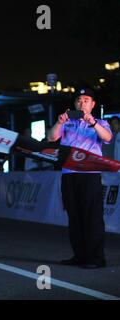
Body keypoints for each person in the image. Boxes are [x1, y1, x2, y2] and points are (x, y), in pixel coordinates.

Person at [48, 88, 112, 269]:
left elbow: (107, 137)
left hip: (89, 176)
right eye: (79, 100)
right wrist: (60, 122)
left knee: (92, 217)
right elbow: (51, 137)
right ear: (74, 104)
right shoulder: (67, 123)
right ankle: (79, 255)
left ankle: (96, 258)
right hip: (69, 175)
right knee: (74, 217)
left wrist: (92, 123)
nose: (82, 102)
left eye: (86, 99)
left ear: (92, 104)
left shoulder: (100, 123)